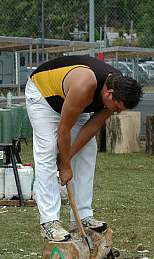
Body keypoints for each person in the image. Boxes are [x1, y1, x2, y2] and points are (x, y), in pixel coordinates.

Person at [25, 56, 143, 242]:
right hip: (43, 95)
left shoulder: (118, 87)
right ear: (109, 93)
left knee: (88, 148)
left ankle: (82, 216)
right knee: (47, 148)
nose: (117, 112)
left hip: (70, 100)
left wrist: (67, 156)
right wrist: (65, 165)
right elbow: (63, 129)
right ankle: (49, 221)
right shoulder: (85, 86)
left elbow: (92, 127)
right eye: (117, 107)